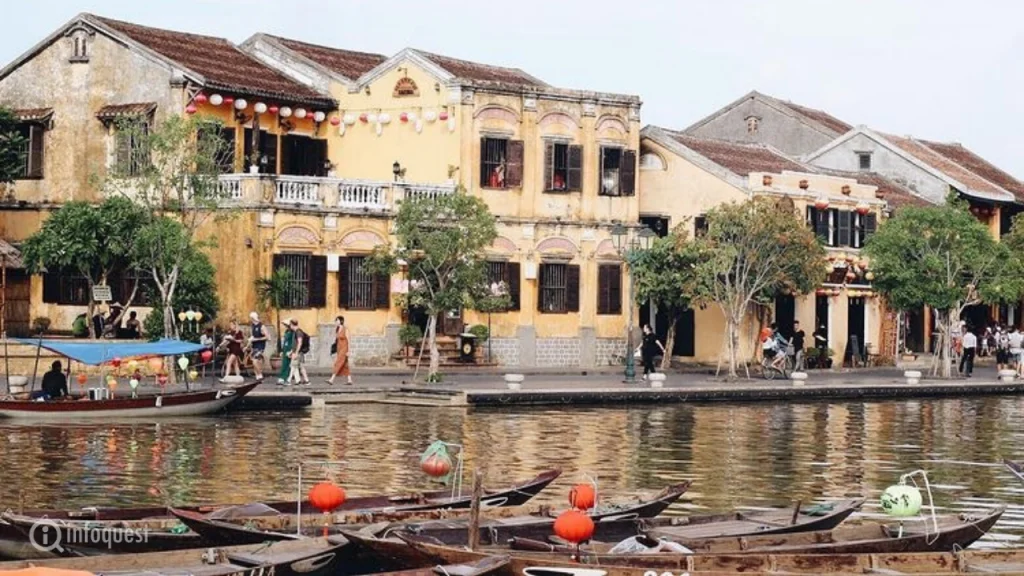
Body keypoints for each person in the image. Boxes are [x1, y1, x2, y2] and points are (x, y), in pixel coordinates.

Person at [327, 316, 352, 385]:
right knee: (345, 365)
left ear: (341, 321)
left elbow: (349, 340)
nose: (336, 322)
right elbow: (337, 340)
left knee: (338, 363)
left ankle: (331, 379)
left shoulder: (345, 329)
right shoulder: (337, 329)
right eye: (335, 320)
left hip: (344, 348)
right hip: (339, 348)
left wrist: (349, 351)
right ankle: (349, 380)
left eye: (337, 320)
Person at [288, 319, 310, 385]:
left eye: (290, 325)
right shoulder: (297, 332)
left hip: (298, 352)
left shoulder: (298, 332)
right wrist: (292, 351)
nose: (290, 326)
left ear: (292, 324)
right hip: (298, 352)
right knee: (301, 367)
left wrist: (296, 353)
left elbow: (299, 343)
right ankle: (306, 381)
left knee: (293, 366)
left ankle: (288, 380)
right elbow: (295, 343)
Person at [248, 312, 267, 381]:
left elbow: (267, 337)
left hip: (260, 346)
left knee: (254, 360)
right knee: (257, 361)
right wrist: (247, 346)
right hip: (254, 346)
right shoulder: (252, 326)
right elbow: (252, 337)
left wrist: (257, 339)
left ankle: (260, 375)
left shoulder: (262, 326)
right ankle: (258, 376)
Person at [277, 320, 295, 386]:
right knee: (284, 364)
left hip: (289, 349)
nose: (285, 326)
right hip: (285, 349)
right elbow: (284, 341)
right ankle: (284, 377)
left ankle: (284, 378)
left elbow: (294, 342)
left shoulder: (293, 332)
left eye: (285, 324)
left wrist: (291, 351)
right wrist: (282, 350)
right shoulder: (287, 331)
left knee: (287, 364)